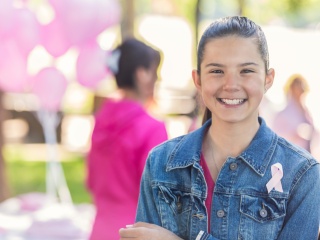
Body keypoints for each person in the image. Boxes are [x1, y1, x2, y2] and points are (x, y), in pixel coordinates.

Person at [119, 16, 320, 240]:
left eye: (246, 71)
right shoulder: (161, 163)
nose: (231, 85)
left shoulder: (302, 174)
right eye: (216, 71)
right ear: (198, 80)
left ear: (268, 78)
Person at [86, 38, 168, 240]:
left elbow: (91, 181)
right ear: (142, 75)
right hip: (137, 232)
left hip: (100, 230)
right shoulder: (152, 128)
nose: (157, 79)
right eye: (154, 71)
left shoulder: (100, 120)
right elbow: (158, 197)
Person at [271, 74, 316, 153]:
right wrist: (297, 133)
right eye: (298, 86)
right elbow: (278, 138)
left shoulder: (307, 114)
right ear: (291, 88)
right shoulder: (282, 115)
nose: (301, 90)